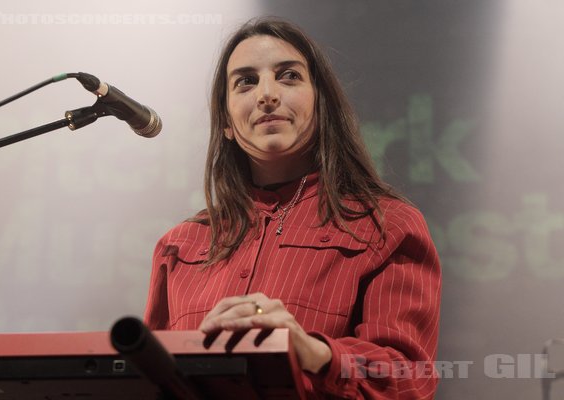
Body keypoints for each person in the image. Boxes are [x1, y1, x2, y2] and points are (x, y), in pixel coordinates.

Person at [144, 17, 441, 399]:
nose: (266, 94)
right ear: (227, 123)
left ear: (321, 105)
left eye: (288, 76)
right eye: (245, 81)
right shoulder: (179, 245)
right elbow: (148, 381)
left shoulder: (388, 225)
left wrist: (310, 351)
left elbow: (408, 378)